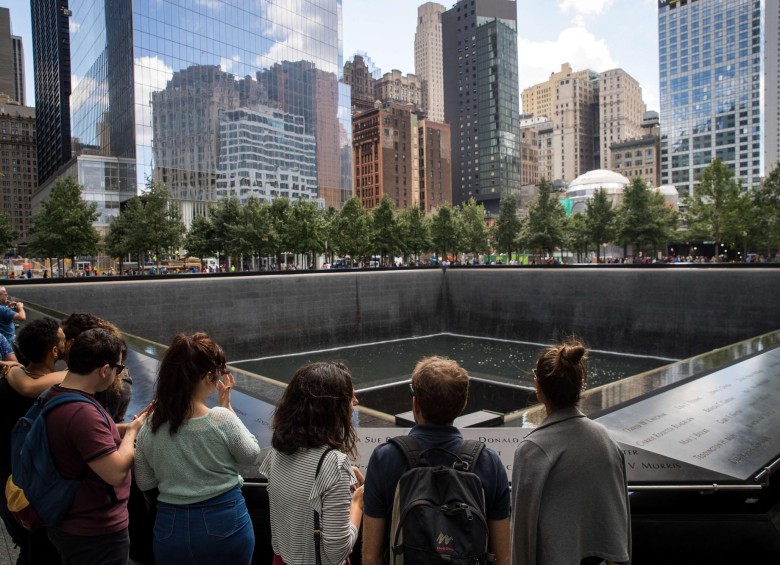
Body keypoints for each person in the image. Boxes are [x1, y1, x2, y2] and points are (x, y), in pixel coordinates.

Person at [362, 356, 511, 565]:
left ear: (415, 404)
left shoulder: (385, 458)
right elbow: (503, 557)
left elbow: (371, 556)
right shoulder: (489, 462)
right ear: (463, 405)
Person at [134, 333, 261, 565]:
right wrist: (227, 407)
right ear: (205, 377)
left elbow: (144, 481)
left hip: (170, 526)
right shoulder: (220, 419)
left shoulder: (150, 424)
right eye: (217, 374)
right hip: (225, 521)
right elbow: (251, 454)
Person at [511, 340, 631, 565]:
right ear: (580, 384)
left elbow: (522, 538)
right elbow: (618, 527)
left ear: (538, 386)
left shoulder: (532, 450)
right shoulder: (606, 440)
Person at [44, 328, 146, 564]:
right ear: (104, 370)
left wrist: (136, 424)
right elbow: (115, 472)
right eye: (118, 369)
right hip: (94, 530)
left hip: (71, 519)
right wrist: (131, 434)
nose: (119, 374)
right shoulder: (82, 413)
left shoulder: (59, 394)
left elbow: (95, 435)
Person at [259, 361, 363, 565]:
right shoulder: (334, 464)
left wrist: (331, 479)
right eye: (350, 398)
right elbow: (337, 552)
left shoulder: (277, 452)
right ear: (332, 409)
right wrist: (357, 502)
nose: (356, 402)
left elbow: (297, 501)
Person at [0, 318, 64, 564]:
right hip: (39, 489)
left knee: (28, 545)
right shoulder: (60, 389)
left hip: (8, 484)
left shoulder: (8, 381)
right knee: (42, 549)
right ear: (54, 351)